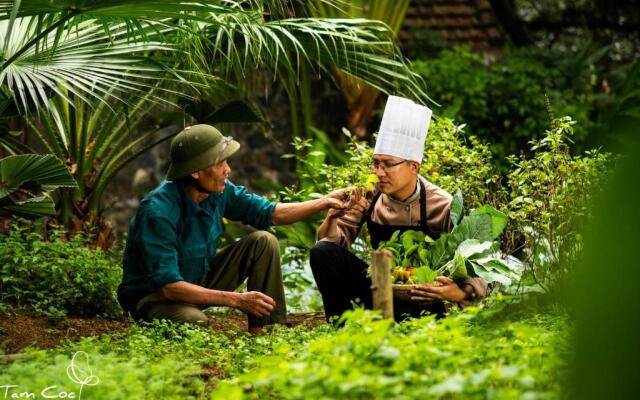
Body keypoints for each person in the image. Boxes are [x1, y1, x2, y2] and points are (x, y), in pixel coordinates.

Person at [117, 124, 345, 333]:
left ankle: (267, 331)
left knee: (263, 242)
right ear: (195, 172)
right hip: (156, 297)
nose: (228, 169)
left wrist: (324, 202)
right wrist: (237, 300)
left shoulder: (218, 191)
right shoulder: (158, 212)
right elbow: (168, 287)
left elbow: (272, 213)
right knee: (195, 321)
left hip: (196, 279)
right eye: (219, 163)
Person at [310, 96, 487, 322]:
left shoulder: (442, 204)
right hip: (377, 287)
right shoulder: (369, 194)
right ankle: (342, 330)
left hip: (420, 299)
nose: (379, 172)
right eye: (376, 163)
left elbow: (478, 264)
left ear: (414, 166)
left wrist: (459, 291)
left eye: (388, 164)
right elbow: (332, 245)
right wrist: (333, 218)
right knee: (321, 252)